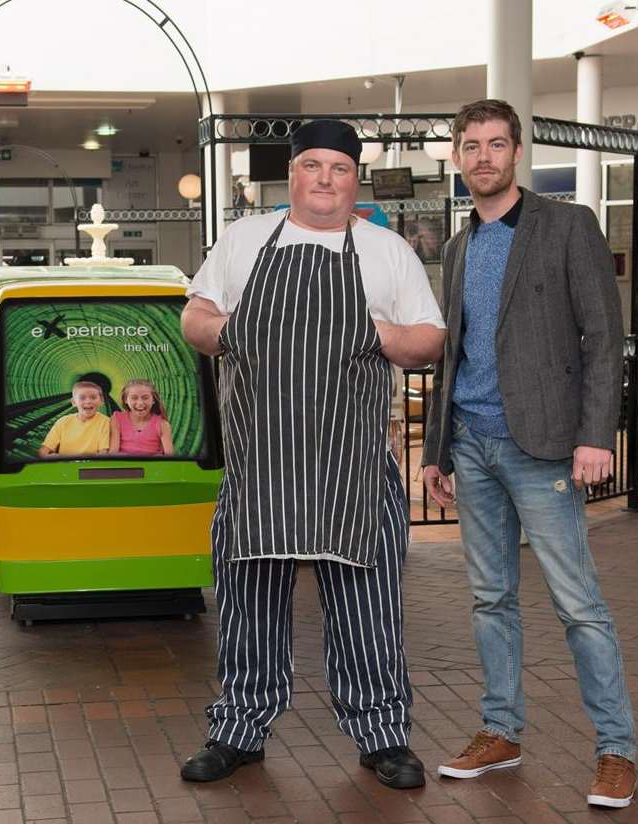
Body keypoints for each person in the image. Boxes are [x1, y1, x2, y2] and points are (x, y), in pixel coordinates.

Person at [179, 119, 446, 787]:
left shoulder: (386, 252)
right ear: (291, 174)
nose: (324, 179)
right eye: (311, 166)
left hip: (350, 470)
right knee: (248, 607)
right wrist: (230, 329)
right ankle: (236, 730)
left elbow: (428, 341)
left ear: (354, 178)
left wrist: (372, 331)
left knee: (368, 611)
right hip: (259, 467)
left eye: (338, 168)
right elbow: (193, 318)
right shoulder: (242, 241)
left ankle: (383, 737)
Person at [421, 100, 637, 809]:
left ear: (517, 151)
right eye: (471, 145)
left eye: (495, 144)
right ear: (456, 157)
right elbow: (451, 354)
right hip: (472, 446)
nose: (482, 156)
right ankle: (500, 731)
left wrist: (594, 436)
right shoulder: (456, 247)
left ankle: (615, 750)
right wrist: (435, 449)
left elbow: (602, 339)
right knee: (489, 598)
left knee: (579, 605)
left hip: (543, 447)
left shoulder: (566, 226)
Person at [37, 380, 110, 457]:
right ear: (74, 402)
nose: (88, 401)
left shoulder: (105, 422)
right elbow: (43, 451)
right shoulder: (63, 421)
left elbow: (103, 453)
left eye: (93, 397)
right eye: (82, 398)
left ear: (101, 401)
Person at [109, 379, 173, 456]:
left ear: (153, 400)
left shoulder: (162, 425)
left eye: (145, 398)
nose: (140, 403)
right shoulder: (117, 419)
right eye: (134, 398)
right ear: (126, 400)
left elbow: (169, 457)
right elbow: (113, 453)